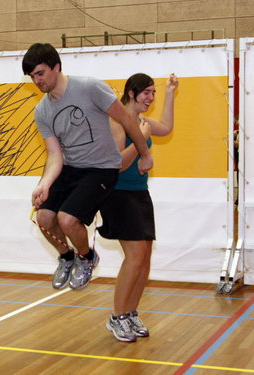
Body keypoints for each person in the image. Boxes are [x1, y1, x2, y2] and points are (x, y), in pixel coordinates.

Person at [22, 43, 153, 290]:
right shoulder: (42, 111)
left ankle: (86, 258)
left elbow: (125, 119)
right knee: (44, 217)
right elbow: (54, 155)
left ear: (56, 67)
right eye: (32, 77)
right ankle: (67, 257)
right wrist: (44, 184)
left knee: (68, 219)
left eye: (40, 73)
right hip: (71, 168)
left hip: (102, 168)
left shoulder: (90, 87)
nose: (36, 81)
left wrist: (144, 154)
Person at [99, 73, 179, 342]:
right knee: (133, 258)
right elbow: (118, 163)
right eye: (147, 92)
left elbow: (166, 127)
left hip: (140, 193)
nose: (150, 98)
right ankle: (117, 317)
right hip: (117, 195)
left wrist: (170, 93)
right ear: (131, 93)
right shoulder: (117, 122)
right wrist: (140, 140)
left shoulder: (143, 122)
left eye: (153, 93)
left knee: (144, 259)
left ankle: (131, 313)